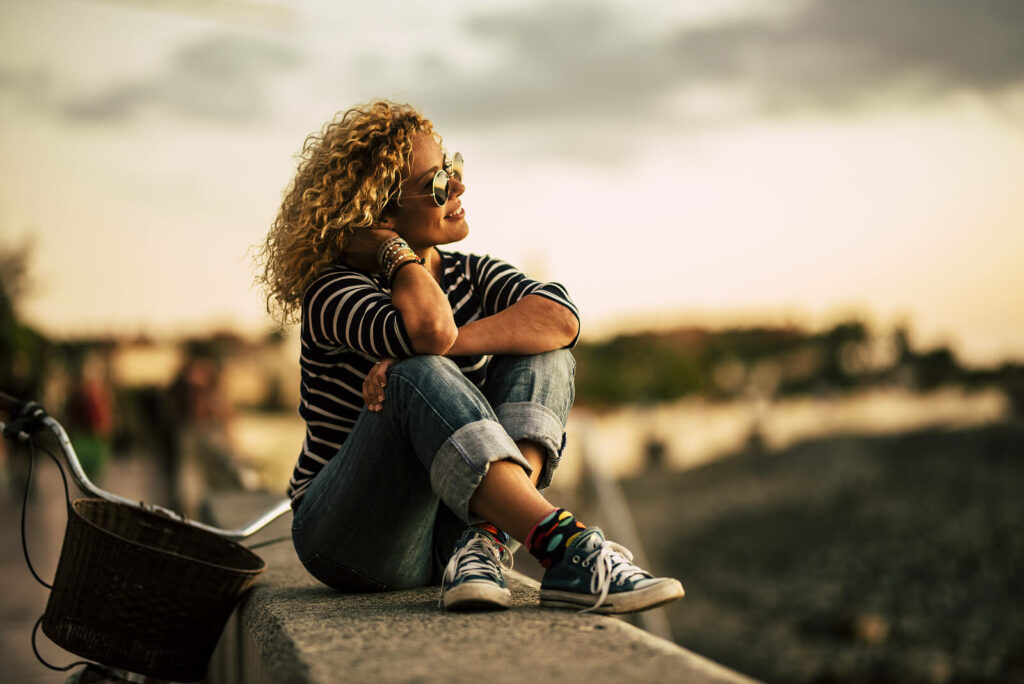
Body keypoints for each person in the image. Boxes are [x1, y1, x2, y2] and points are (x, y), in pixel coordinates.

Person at [256, 101, 683, 613]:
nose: (458, 188)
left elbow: (560, 319)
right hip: (348, 536)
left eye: (453, 169)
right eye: (438, 184)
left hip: (444, 535)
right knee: (415, 374)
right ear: (383, 214)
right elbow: (431, 330)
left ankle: (486, 540)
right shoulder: (334, 289)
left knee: (546, 355)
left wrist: (450, 344)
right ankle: (567, 548)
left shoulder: (469, 274)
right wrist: (395, 256)